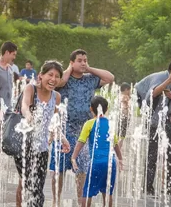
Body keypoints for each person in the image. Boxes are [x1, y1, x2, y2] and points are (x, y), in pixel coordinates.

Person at [49, 49, 115, 206]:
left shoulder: (90, 79)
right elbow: (59, 83)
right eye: (79, 60)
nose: (83, 63)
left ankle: (81, 202)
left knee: (83, 170)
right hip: (64, 131)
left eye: (85, 60)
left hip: (83, 133)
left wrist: (89, 69)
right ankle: (55, 201)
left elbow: (110, 77)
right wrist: (69, 70)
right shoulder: (63, 79)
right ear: (71, 63)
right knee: (59, 170)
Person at [15, 60, 70, 207]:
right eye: (50, 75)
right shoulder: (31, 88)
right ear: (41, 75)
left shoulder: (56, 97)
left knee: (35, 186)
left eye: (57, 76)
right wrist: (28, 116)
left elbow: (54, 122)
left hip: (43, 149)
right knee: (31, 186)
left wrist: (63, 139)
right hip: (24, 147)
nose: (53, 79)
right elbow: (24, 105)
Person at [135, 59, 171, 196]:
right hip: (152, 117)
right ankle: (148, 187)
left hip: (164, 117)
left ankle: (170, 186)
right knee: (153, 153)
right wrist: (168, 80)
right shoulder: (161, 77)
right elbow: (152, 94)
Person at [71, 95, 123, 207]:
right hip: (110, 163)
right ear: (107, 109)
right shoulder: (110, 124)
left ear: (91, 109)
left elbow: (81, 142)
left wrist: (74, 157)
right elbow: (115, 145)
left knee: (87, 192)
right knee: (108, 192)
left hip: (96, 163)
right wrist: (120, 159)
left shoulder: (89, 123)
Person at [117, 82, 131, 148]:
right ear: (126, 89)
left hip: (120, 116)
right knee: (122, 135)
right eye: (129, 90)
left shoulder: (119, 95)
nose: (129, 92)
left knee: (119, 133)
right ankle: (118, 149)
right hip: (125, 117)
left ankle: (116, 148)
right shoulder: (125, 97)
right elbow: (127, 105)